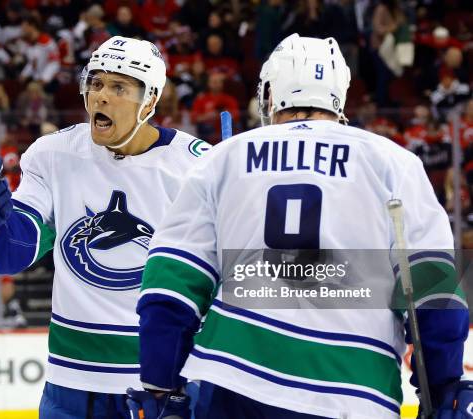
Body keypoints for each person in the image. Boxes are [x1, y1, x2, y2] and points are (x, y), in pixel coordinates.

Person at [130, 34, 470, 419]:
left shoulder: (223, 158)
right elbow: (434, 291)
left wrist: (160, 385)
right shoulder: (393, 162)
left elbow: (170, 282)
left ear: (271, 92)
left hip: (232, 379)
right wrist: (443, 387)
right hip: (355, 390)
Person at [0, 35, 211, 418]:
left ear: (150, 101)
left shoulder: (197, 167)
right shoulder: (53, 154)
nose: (100, 96)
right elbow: (12, 253)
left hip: (162, 383)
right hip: (70, 383)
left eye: (119, 87)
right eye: (96, 83)